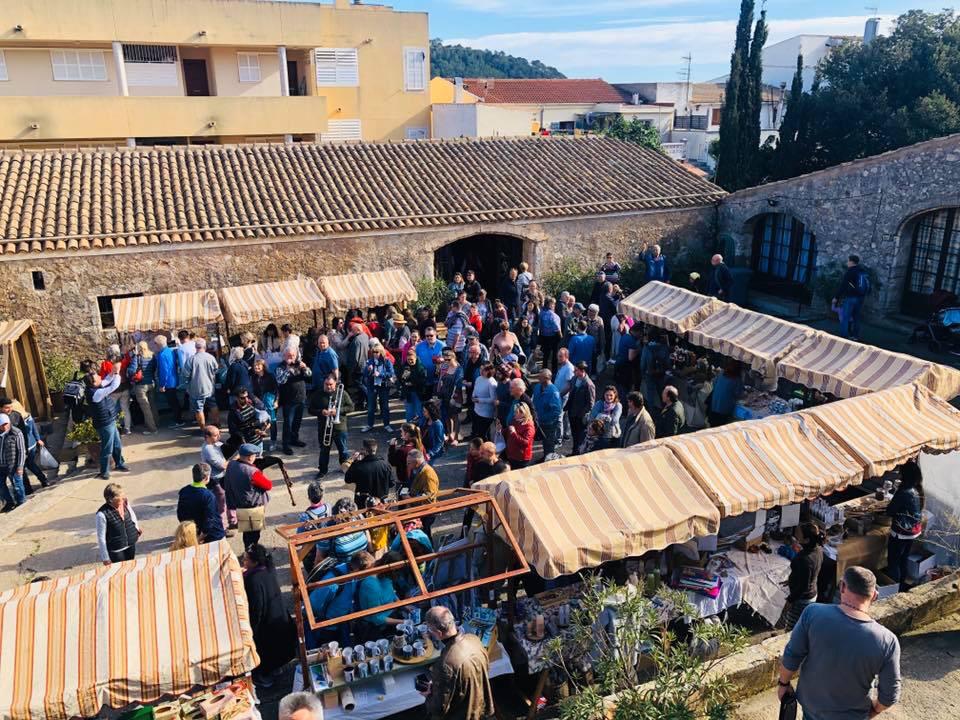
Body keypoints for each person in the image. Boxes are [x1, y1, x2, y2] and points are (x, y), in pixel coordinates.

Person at [778, 566, 901, 720]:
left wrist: (783, 684)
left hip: (812, 708)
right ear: (875, 596)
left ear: (842, 586)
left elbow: (791, 656)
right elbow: (890, 694)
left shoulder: (813, 613)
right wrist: (874, 711)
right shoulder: (887, 641)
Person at [421, 606, 494, 720]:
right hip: (481, 703)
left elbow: (440, 707)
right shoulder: (474, 639)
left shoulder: (445, 664)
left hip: (464, 714)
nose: (429, 633)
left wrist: (429, 696)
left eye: (430, 631)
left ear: (439, 633)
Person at [242, 544, 296, 687]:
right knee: (278, 648)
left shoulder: (253, 580)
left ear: (254, 562)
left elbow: (257, 608)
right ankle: (276, 669)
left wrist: (252, 629)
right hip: (279, 616)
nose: (243, 561)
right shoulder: (268, 569)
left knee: (266, 652)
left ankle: (265, 677)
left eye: (246, 559)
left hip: (267, 623)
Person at [224, 443, 273, 548]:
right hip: (253, 508)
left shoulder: (231, 465)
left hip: (239, 503)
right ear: (250, 457)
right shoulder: (253, 472)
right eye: (255, 455)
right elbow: (268, 485)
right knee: (254, 535)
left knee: (246, 532)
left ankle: (248, 551)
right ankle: (252, 555)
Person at [84, 369, 130, 480]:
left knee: (117, 444)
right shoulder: (96, 393)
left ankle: (119, 463)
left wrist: (113, 371)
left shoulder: (95, 387)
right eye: (97, 377)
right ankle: (104, 472)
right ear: (94, 383)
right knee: (107, 448)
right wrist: (118, 374)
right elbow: (113, 386)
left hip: (110, 420)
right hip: (104, 424)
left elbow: (107, 380)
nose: (100, 377)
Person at [886, 460, 924, 592]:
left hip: (901, 531)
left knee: (893, 561)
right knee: (903, 558)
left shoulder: (904, 491)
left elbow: (889, 511)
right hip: (913, 530)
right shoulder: (917, 488)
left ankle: (893, 588)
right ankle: (901, 585)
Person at [0, 398, 49, 494]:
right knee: (23, 469)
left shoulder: (16, 415)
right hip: (9, 450)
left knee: (26, 466)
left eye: (10, 407)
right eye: (7, 408)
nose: (9, 409)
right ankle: (28, 489)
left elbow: (24, 434)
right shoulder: (2, 417)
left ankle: (43, 480)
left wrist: (25, 449)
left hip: (22, 447)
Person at [308, 374, 354, 478]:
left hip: (339, 427)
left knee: (343, 450)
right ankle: (322, 470)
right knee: (324, 450)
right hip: (324, 427)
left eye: (331, 384)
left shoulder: (342, 393)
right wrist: (321, 411)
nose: (328, 386)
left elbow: (351, 407)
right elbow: (310, 409)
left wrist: (338, 411)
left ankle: (346, 468)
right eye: (326, 384)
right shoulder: (318, 394)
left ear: (335, 384)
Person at [783, 526, 824, 631]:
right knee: (802, 623)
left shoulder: (804, 559)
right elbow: (808, 575)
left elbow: (803, 586)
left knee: (793, 629)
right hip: (812, 593)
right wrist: (792, 580)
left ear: (806, 540)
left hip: (802, 599)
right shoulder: (818, 550)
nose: (796, 537)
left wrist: (790, 600)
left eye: (799, 535)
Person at [177, 462, 225, 543]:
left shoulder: (184, 491)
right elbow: (210, 519)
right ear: (206, 478)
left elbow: (180, 513)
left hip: (193, 532)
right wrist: (201, 537)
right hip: (213, 535)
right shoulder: (208, 495)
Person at [275, 348, 312, 454]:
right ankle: (285, 445)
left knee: (297, 422)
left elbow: (309, 375)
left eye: (293, 355)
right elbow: (280, 380)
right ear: (284, 356)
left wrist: (305, 368)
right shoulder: (281, 367)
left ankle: (294, 439)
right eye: (289, 356)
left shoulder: (299, 364)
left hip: (300, 398)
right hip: (288, 401)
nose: (291, 358)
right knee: (288, 424)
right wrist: (287, 369)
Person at [314, 498, 371, 563]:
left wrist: (371, 550)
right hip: (343, 571)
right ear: (335, 517)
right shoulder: (327, 531)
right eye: (339, 518)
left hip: (364, 565)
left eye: (347, 518)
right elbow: (319, 559)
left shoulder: (358, 518)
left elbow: (366, 531)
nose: (343, 521)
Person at [96, 482, 140, 564]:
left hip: (130, 545)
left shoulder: (125, 502)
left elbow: (132, 514)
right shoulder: (101, 515)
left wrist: (136, 528)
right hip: (116, 550)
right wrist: (105, 558)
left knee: (130, 565)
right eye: (121, 497)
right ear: (111, 500)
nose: (124, 498)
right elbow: (101, 538)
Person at [182, 338, 220, 430]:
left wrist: (187, 384)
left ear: (195, 347)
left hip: (196, 389)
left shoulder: (191, 360)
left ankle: (203, 428)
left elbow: (185, 375)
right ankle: (217, 423)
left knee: (199, 409)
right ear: (205, 346)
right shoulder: (211, 357)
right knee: (213, 405)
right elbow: (216, 370)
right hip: (210, 387)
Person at [201, 424, 232, 534]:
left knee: (228, 501)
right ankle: (222, 528)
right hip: (216, 481)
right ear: (207, 437)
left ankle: (231, 520)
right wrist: (235, 459)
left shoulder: (215, 444)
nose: (219, 437)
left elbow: (226, 448)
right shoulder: (208, 449)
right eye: (215, 435)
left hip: (222, 477)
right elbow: (222, 465)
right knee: (221, 505)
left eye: (219, 434)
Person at [345, 438, 393, 508]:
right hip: (381, 504)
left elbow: (347, 479)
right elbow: (392, 483)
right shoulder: (385, 465)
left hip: (363, 504)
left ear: (365, 450)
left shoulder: (358, 466)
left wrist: (354, 462)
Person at [833, 254, 870, 340]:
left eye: (848, 261)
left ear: (851, 262)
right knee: (856, 317)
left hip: (851, 297)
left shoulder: (850, 272)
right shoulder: (862, 271)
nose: (847, 262)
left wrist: (836, 297)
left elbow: (843, 286)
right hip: (861, 297)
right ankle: (855, 336)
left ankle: (844, 337)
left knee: (845, 317)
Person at [127, 340, 159, 434]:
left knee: (146, 408)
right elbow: (154, 368)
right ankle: (156, 423)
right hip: (151, 383)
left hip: (141, 385)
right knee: (152, 405)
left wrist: (129, 371)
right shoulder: (152, 356)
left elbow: (132, 371)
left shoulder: (137, 357)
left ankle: (152, 429)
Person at [360, 344, 394, 433]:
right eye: (373, 352)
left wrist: (380, 374)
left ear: (381, 352)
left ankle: (387, 425)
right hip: (372, 386)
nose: (375, 354)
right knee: (371, 407)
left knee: (385, 406)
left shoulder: (386, 361)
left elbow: (391, 373)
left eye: (377, 352)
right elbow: (364, 374)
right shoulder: (370, 361)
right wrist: (368, 370)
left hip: (383, 386)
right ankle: (369, 425)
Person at [407, 449, 440, 535]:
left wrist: (411, 499)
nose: (407, 465)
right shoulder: (417, 470)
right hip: (420, 510)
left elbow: (429, 496)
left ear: (417, 462)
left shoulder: (428, 473)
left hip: (427, 512)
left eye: (409, 463)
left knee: (425, 535)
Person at [153, 335, 184, 427]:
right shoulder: (170, 351)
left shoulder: (162, 355)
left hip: (168, 382)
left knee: (172, 402)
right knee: (174, 401)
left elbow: (164, 371)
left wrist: (162, 385)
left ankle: (178, 420)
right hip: (174, 378)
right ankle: (178, 418)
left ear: (158, 344)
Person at [566, 362, 596, 454]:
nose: (574, 371)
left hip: (580, 416)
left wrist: (582, 414)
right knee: (574, 435)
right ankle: (574, 452)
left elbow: (590, 403)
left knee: (580, 436)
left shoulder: (589, 384)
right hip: (572, 412)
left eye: (576, 370)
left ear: (582, 371)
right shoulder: (574, 379)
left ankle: (578, 453)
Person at [532, 369, 563, 458]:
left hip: (549, 423)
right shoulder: (538, 387)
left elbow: (556, 411)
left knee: (549, 443)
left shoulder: (553, 392)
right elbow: (534, 400)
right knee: (544, 442)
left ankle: (549, 458)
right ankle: (545, 457)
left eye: (540, 376)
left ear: (546, 378)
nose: (538, 378)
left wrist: (546, 419)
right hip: (539, 421)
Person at [436, 349, 464, 444]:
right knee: (447, 416)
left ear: (453, 358)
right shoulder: (444, 366)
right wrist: (439, 392)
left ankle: (456, 437)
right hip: (445, 395)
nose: (446, 361)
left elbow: (458, 384)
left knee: (455, 416)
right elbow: (441, 380)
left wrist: (453, 396)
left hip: (455, 396)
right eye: (445, 359)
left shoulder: (459, 368)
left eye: (448, 359)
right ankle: (449, 435)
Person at [0, 413, 27, 512]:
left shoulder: (16, 433)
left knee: (17, 486)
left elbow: (21, 450)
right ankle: (9, 503)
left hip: (13, 465)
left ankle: (21, 503)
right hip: (1, 466)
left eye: (6, 424)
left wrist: (20, 466)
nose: (4, 427)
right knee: (1, 487)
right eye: (2, 425)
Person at [639, 328, 670, 410]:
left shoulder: (646, 348)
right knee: (662, 392)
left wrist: (642, 374)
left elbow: (642, 363)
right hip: (661, 374)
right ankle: (664, 410)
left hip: (649, 374)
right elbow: (668, 363)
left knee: (650, 394)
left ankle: (651, 412)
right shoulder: (664, 348)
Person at [389, 423, 425, 492]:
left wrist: (392, 447)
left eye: (401, 431)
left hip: (405, 481)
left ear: (407, 434)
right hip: (418, 479)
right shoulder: (420, 445)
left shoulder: (403, 450)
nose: (400, 433)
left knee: (403, 500)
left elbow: (392, 462)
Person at [708, 360, 744, 427]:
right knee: (720, 426)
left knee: (713, 425)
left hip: (714, 404)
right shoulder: (737, 379)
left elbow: (714, 383)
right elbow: (738, 394)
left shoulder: (722, 373)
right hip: (724, 408)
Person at [589, 386, 622, 450]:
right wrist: (607, 417)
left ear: (615, 395)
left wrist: (599, 415)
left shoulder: (618, 405)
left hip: (612, 435)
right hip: (598, 434)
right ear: (604, 395)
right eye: (607, 395)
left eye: (611, 395)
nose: (609, 397)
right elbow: (592, 417)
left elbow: (614, 421)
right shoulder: (599, 403)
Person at [471, 362, 498, 441]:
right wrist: (473, 396)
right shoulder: (478, 378)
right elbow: (475, 390)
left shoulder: (491, 382)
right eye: (481, 369)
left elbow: (493, 399)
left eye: (484, 370)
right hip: (477, 410)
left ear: (490, 371)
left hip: (486, 413)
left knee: (483, 434)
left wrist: (479, 400)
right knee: (479, 432)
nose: (481, 371)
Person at [504, 402, 535, 470]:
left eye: (516, 412)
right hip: (512, 454)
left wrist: (514, 433)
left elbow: (525, 443)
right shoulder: (516, 420)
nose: (514, 414)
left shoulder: (529, 427)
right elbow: (509, 431)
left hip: (521, 458)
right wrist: (501, 430)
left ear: (523, 413)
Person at [537, 297, 562, 374]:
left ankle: (544, 370)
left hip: (543, 336)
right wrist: (561, 337)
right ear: (550, 304)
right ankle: (554, 371)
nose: (554, 305)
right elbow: (556, 327)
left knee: (546, 355)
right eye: (553, 304)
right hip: (553, 337)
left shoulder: (541, 313)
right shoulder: (553, 315)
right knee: (554, 355)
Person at [584, 305, 605, 374]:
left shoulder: (599, 320)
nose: (589, 312)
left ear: (596, 312)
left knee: (594, 360)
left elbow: (602, 334)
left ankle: (593, 373)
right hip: (585, 344)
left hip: (595, 345)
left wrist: (602, 347)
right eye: (589, 310)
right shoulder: (584, 319)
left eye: (591, 311)